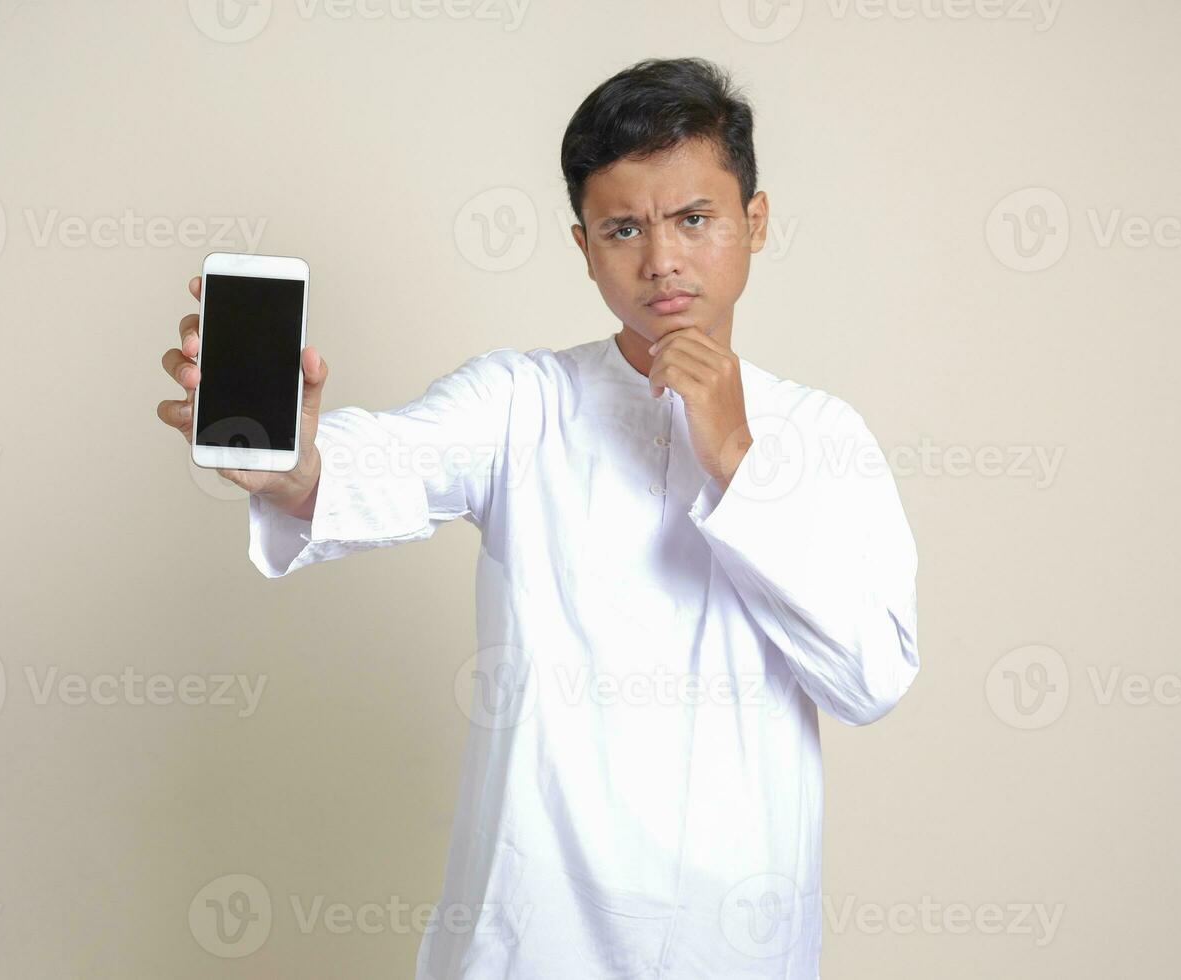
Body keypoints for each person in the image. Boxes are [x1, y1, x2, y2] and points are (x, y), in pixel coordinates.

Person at [156, 56, 919, 980]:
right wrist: (293, 467)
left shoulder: (823, 435)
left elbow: (871, 676)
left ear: (754, 223)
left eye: (694, 219)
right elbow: (391, 460)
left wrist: (736, 463)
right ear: (584, 245)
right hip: (529, 940)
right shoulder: (524, 401)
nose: (661, 259)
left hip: (733, 945)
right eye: (623, 227)